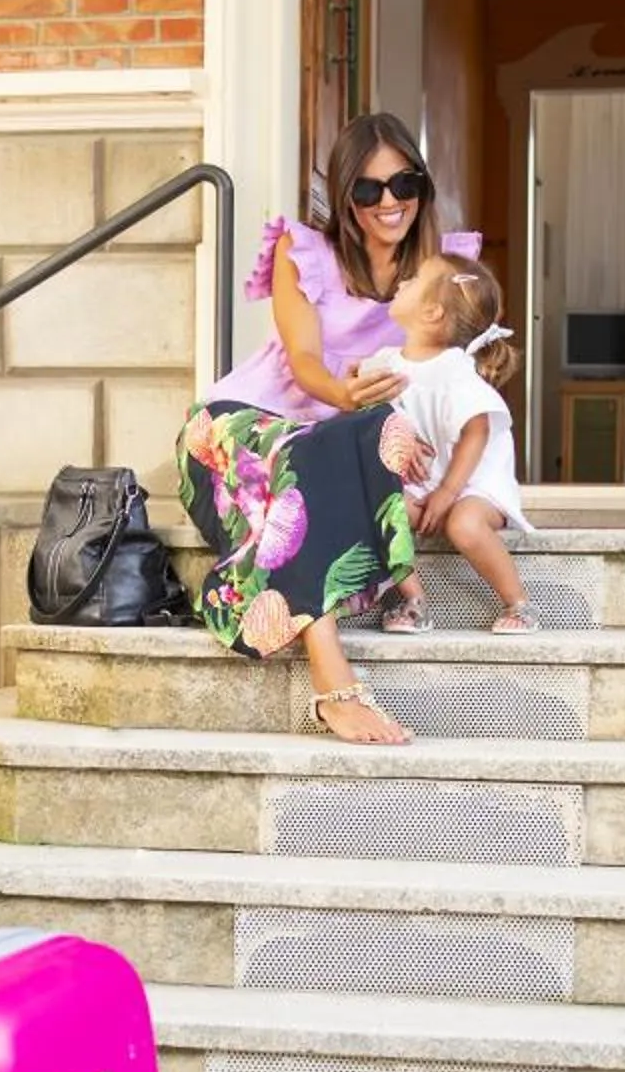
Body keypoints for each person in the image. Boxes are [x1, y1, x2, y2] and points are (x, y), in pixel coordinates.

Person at [180, 112, 483, 745]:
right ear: (345, 197)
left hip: (346, 445)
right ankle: (333, 684)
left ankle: (287, 577)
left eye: (404, 183)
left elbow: (455, 383)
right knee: (315, 452)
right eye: (368, 190)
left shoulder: (444, 270)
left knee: (349, 440)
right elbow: (305, 362)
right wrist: (345, 398)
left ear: (423, 186)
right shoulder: (304, 251)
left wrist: (449, 480)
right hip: (241, 429)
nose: (389, 202)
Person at [362, 252, 534, 634]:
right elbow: (359, 400)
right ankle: (414, 601)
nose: (402, 283)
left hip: (473, 483)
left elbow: (477, 430)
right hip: (421, 482)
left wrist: (448, 491)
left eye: (414, 280)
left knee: (465, 525)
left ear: (432, 313)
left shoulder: (454, 369)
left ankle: (518, 603)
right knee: (380, 508)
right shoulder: (387, 362)